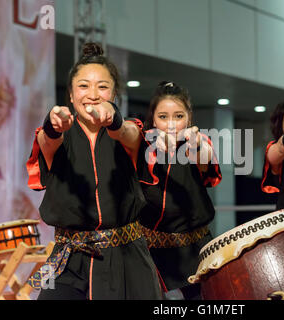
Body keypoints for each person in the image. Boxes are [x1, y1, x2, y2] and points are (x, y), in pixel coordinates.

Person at [25, 43, 162, 300]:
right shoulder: (58, 134)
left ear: (114, 93)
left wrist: (116, 121)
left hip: (125, 257)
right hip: (69, 257)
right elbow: (46, 140)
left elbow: (131, 135)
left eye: (103, 86)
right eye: (83, 86)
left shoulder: (129, 131)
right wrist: (53, 124)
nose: (93, 94)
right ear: (70, 94)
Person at [117, 81, 221, 300]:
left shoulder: (199, 141)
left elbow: (204, 159)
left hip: (196, 250)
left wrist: (195, 145)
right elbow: (124, 132)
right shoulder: (141, 141)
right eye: (163, 117)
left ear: (189, 117)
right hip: (150, 252)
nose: (171, 124)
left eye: (179, 116)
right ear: (153, 118)